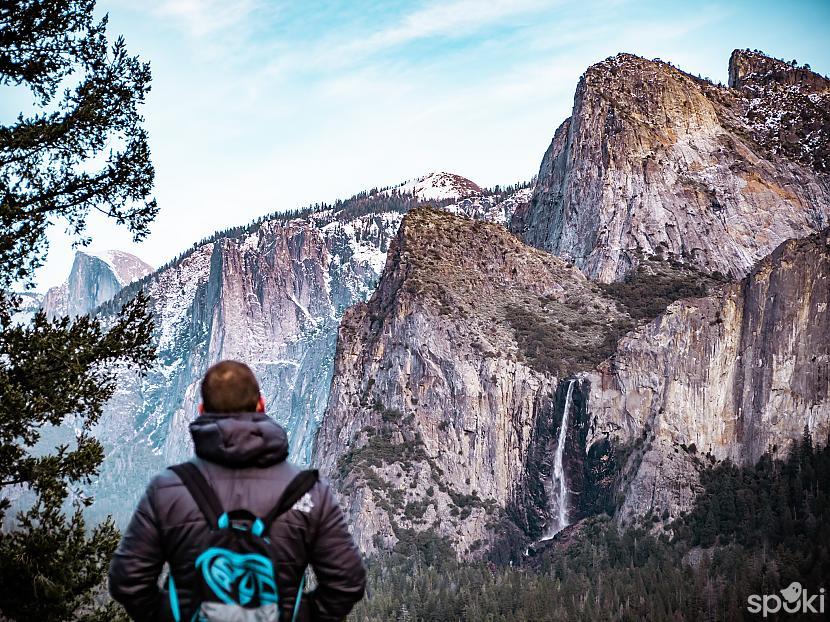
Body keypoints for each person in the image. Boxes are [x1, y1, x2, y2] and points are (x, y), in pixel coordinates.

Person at [109, 360, 366, 621]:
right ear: (261, 406)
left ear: (201, 410)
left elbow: (128, 581)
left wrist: (175, 614)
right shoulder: (309, 492)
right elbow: (347, 583)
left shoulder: (168, 489)